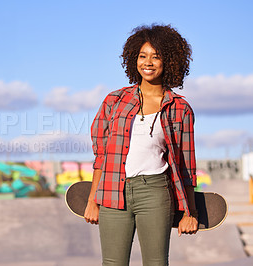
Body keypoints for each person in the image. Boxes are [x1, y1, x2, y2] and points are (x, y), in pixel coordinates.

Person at [84, 24, 198, 266]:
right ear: (133, 58)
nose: (148, 62)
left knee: (156, 263)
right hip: (113, 191)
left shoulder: (180, 109)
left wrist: (191, 212)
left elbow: (186, 165)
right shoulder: (114, 101)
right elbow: (101, 157)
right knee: (113, 263)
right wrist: (92, 200)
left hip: (155, 192)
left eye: (156, 57)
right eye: (142, 56)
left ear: (169, 61)